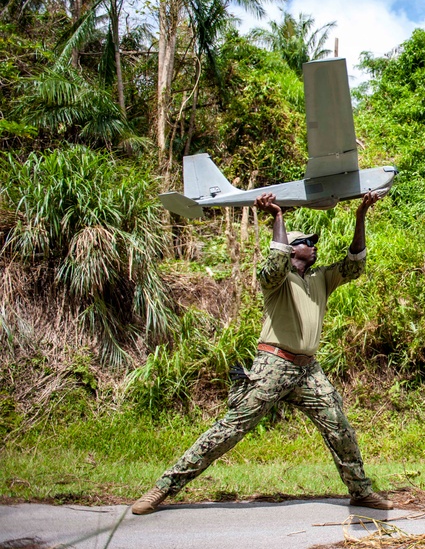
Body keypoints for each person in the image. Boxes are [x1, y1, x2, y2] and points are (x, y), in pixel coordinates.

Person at [131, 191, 392, 514]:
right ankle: (162, 489)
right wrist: (278, 217)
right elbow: (275, 262)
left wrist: (360, 215)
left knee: (339, 427)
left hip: (308, 370)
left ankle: (360, 491)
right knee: (230, 429)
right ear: (292, 248)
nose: (314, 245)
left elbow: (355, 263)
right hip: (273, 364)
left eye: (314, 241)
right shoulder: (275, 280)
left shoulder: (321, 278)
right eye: (307, 241)